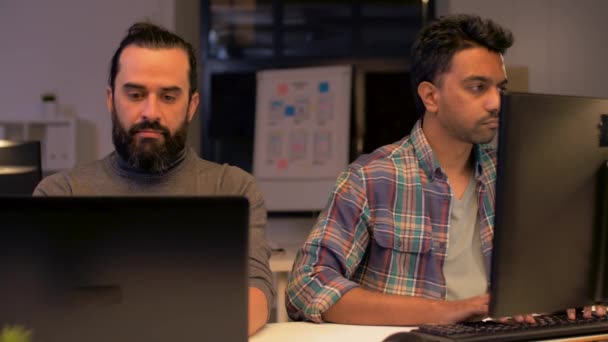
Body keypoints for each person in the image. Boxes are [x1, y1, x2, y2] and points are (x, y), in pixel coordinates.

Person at [34, 22, 273, 336]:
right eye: (135, 94)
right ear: (110, 99)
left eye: (169, 97)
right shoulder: (60, 195)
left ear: (191, 106)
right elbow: (40, 305)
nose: (150, 112)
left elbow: (257, 294)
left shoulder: (232, 188)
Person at [286, 14, 509, 325]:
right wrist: (449, 311)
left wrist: (571, 300)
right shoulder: (371, 178)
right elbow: (306, 286)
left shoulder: (510, 176)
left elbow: (549, 271)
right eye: (477, 87)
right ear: (431, 96)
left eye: (500, 88)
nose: (496, 102)